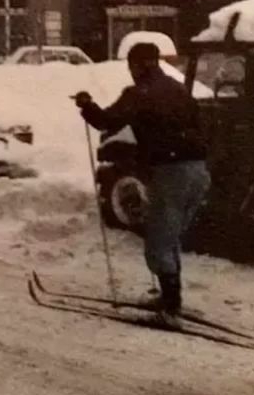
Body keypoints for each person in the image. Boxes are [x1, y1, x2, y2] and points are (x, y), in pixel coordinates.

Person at [74, 42, 211, 328]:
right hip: (198, 170)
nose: (131, 71)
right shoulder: (178, 89)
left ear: (138, 65)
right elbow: (199, 123)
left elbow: (107, 121)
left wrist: (87, 106)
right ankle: (169, 296)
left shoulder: (139, 94)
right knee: (169, 234)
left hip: (170, 171)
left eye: (131, 66)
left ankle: (171, 309)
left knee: (158, 239)